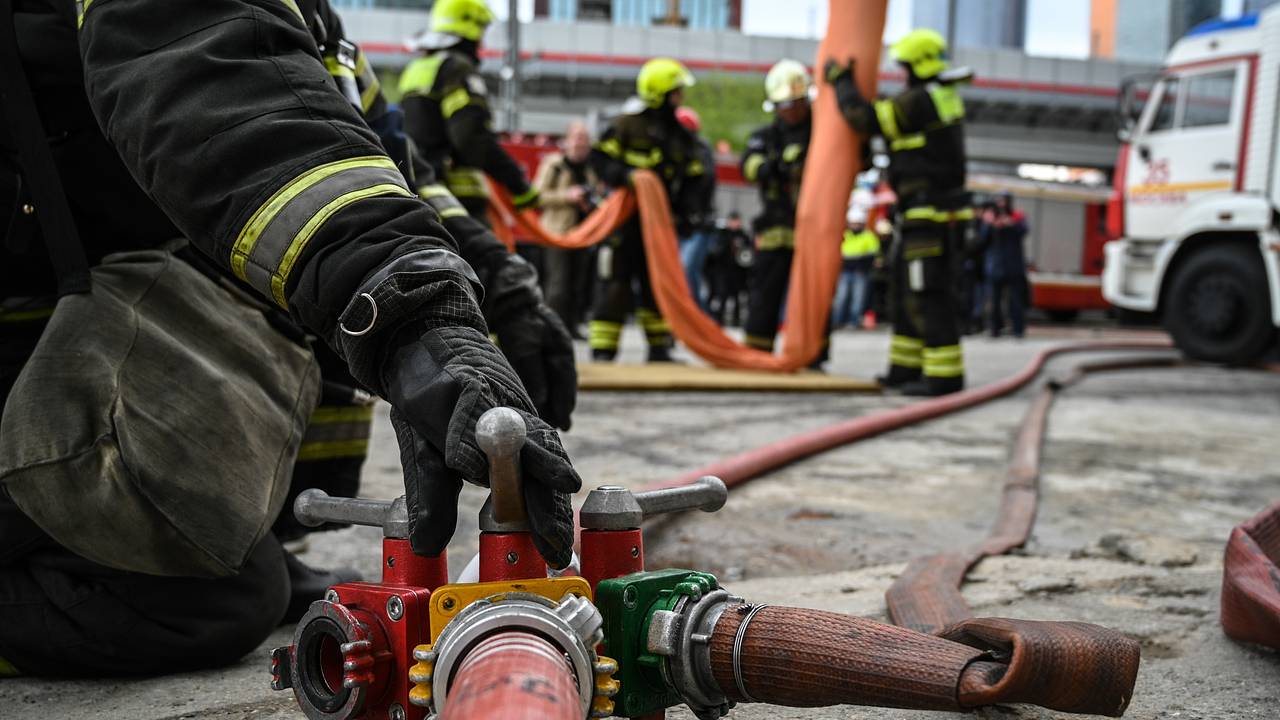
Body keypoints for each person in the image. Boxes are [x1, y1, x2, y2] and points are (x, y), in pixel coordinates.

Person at [0, 0, 577, 677]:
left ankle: (249, 532)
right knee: (206, 601)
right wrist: (409, 319)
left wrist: (500, 286)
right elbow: (223, 91)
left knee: (224, 549)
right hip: (31, 352)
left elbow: (377, 156)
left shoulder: (314, 20)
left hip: (75, 339)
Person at [828, 28, 972, 396]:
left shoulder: (920, 101)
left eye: (904, 67)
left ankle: (943, 377)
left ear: (918, 66)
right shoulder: (938, 97)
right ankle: (905, 370)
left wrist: (842, 83)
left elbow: (865, 118)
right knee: (906, 294)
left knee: (928, 293)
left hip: (930, 215)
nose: (901, 74)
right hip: (919, 214)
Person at [587, 58, 706, 362]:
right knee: (618, 282)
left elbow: (694, 178)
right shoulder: (627, 124)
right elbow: (600, 161)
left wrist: (689, 213)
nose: (681, 96)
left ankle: (659, 347)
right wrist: (626, 176)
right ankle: (603, 348)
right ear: (660, 92)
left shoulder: (681, 135)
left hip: (659, 225)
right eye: (676, 91)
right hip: (626, 223)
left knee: (658, 284)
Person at [399, 0, 539, 223]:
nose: (482, 41)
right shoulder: (458, 68)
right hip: (457, 202)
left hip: (419, 192)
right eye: (481, 31)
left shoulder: (415, 69)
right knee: (488, 257)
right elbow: (471, 138)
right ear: (469, 28)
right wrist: (518, 184)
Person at [740, 59, 814, 354]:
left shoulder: (820, 133)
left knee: (812, 293)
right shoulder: (765, 136)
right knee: (765, 292)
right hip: (775, 225)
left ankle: (813, 352)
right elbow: (749, 166)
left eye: (796, 103)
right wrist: (776, 165)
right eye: (785, 105)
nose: (791, 111)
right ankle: (758, 349)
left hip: (813, 226)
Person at [532, 121, 601, 337]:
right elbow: (538, 196)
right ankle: (552, 329)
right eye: (577, 138)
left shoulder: (591, 169)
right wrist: (568, 196)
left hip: (584, 235)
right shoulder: (554, 165)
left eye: (585, 139)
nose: (581, 143)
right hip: (557, 234)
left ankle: (570, 327)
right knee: (558, 285)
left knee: (578, 284)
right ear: (567, 141)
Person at [674, 106, 718, 312]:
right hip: (677, 223)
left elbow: (704, 183)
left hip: (697, 224)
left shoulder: (699, 152)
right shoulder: (670, 150)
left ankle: (699, 317)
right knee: (676, 273)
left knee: (687, 270)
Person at [981, 193, 1030, 338]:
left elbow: (1024, 231)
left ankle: (1018, 330)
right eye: (999, 201)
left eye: (1004, 201)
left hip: (1013, 266)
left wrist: (1010, 224)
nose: (1001, 205)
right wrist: (989, 224)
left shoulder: (1017, 217)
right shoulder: (990, 218)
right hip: (995, 267)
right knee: (994, 301)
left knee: (1015, 300)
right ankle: (994, 329)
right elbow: (982, 238)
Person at [705, 212, 753, 327]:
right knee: (722, 295)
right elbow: (715, 252)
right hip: (723, 270)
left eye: (737, 220)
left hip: (738, 272)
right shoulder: (722, 234)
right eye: (733, 220)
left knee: (737, 297)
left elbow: (748, 254)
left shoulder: (743, 236)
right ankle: (718, 318)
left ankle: (736, 319)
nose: (735, 223)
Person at [834, 210, 881, 328]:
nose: (855, 225)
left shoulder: (868, 236)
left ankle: (853, 322)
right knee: (841, 298)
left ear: (862, 223)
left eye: (857, 223)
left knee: (858, 299)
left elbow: (874, 255)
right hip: (845, 271)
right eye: (853, 223)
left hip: (861, 272)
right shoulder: (844, 235)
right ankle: (837, 322)